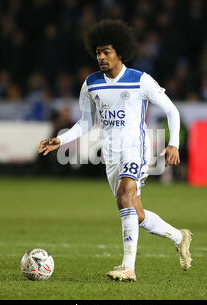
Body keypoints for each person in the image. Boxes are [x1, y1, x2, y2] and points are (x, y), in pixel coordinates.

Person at [38, 20, 192, 282]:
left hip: (136, 152)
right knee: (137, 213)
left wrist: (173, 143)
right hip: (110, 157)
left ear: (120, 52)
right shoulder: (91, 84)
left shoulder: (140, 80)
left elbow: (171, 110)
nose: (101, 57)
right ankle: (180, 236)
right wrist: (61, 140)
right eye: (98, 52)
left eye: (106, 51)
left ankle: (128, 267)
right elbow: (86, 122)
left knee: (124, 197)